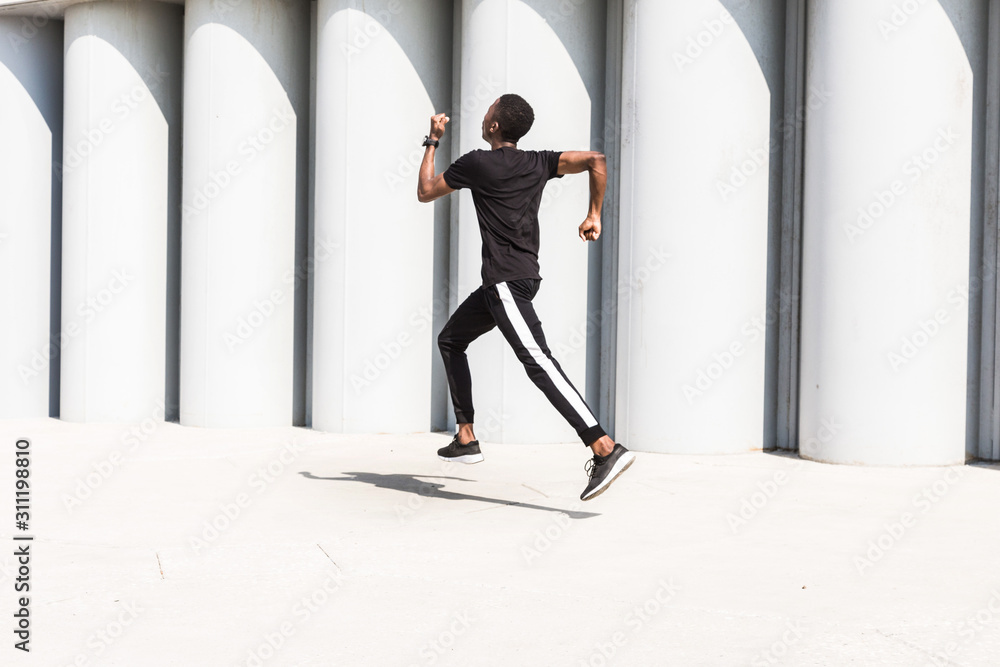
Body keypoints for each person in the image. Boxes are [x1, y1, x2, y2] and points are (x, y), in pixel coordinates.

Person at [416, 94, 634, 501]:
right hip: (518, 280)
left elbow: (426, 191)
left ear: (495, 126)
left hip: (505, 282)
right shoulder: (539, 162)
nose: (482, 117)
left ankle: (604, 446)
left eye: (487, 113)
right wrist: (594, 214)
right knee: (451, 339)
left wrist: (432, 140)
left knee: (538, 362)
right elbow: (596, 160)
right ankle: (466, 437)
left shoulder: (476, 163)